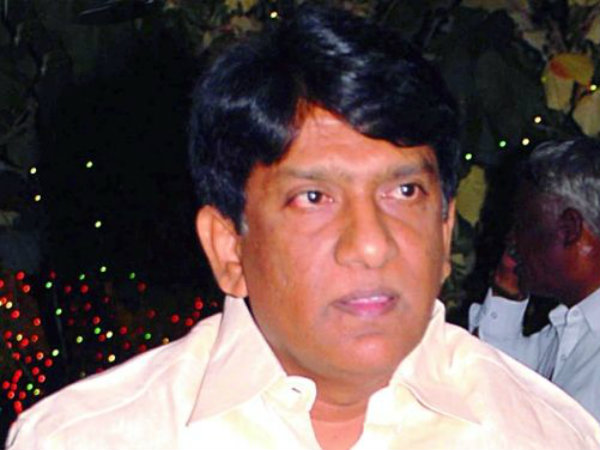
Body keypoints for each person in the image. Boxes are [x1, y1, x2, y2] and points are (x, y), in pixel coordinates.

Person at [7, 6, 600, 450]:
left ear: (445, 233)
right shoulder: (91, 438)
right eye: (313, 198)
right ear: (229, 248)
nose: (371, 244)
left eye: (404, 192)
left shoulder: (542, 434)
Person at [470, 137, 600, 422]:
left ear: (569, 229)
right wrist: (506, 293)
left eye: (523, 225)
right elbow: (491, 384)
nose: (512, 239)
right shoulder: (571, 329)